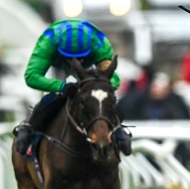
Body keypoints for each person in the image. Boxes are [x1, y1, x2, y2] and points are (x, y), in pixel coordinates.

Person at [12, 19, 132, 156]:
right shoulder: (48, 42)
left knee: (100, 98)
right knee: (53, 97)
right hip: (58, 66)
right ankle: (29, 127)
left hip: (90, 69)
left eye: (81, 57)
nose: (77, 62)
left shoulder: (99, 44)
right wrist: (61, 86)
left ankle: (118, 131)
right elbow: (31, 76)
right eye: (72, 57)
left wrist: (97, 86)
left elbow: (113, 79)